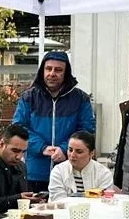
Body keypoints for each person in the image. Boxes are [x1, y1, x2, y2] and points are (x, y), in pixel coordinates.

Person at [12, 51, 96, 192]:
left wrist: (64, 149)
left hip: (69, 171)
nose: (52, 73)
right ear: (42, 70)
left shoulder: (80, 98)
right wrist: (42, 148)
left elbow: (86, 130)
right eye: (48, 69)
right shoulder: (29, 97)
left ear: (66, 73)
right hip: (34, 172)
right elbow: (18, 128)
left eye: (58, 70)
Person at [47, 131, 113, 199]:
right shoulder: (58, 171)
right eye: (70, 150)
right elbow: (58, 201)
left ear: (92, 153)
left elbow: (104, 202)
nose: (72, 155)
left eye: (79, 152)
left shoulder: (104, 174)